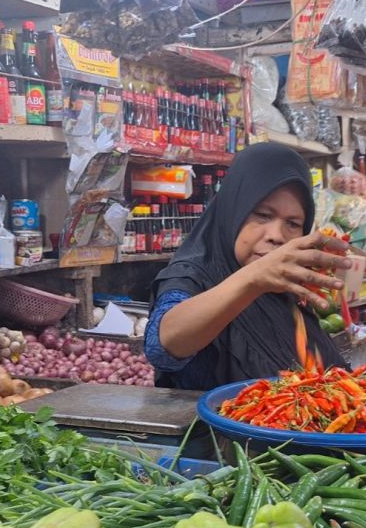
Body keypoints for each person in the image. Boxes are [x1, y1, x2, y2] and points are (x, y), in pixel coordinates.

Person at [145, 142, 351, 390]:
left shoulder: (285, 291)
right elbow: (163, 346)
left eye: (293, 223)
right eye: (263, 215)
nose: (277, 235)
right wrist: (253, 279)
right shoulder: (193, 275)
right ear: (234, 211)